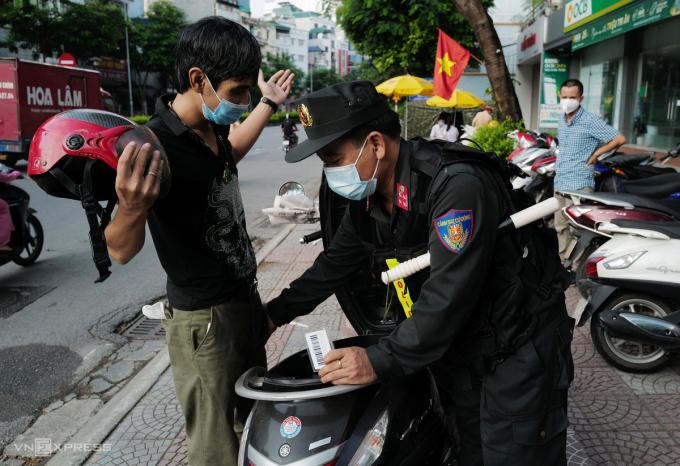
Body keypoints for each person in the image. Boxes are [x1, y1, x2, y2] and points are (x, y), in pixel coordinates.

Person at [264, 81, 573, 466]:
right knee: (469, 448)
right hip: (462, 348)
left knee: (515, 453)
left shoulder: (455, 186)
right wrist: (273, 315)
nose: (330, 172)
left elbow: (448, 296)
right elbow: (336, 262)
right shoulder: (371, 195)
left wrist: (376, 360)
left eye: (332, 158)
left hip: (515, 348)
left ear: (375, 144)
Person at [105, 17, 293, 466]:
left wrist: (267, 102)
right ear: (197, 79)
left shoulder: (212, 132)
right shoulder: (154, 145)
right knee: (217, 447)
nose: (242, 103)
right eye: (237, 92)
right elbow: (119, 249)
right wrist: (130, 208)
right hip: (204, 322)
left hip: (242, 303)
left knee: (250, 422)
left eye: (248, 92)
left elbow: (233, 151)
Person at [554, 78, 626, 261]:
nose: (567, 101)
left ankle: (577, 269)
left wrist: (596, 155)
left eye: (572, 97)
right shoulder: (562, 120)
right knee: (560, 227)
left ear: (581, 98)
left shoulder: (590, 120)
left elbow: (619, 139)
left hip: (579, 184)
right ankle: (565, 265)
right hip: (560, 182)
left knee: (577, 230)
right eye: (564, 97)